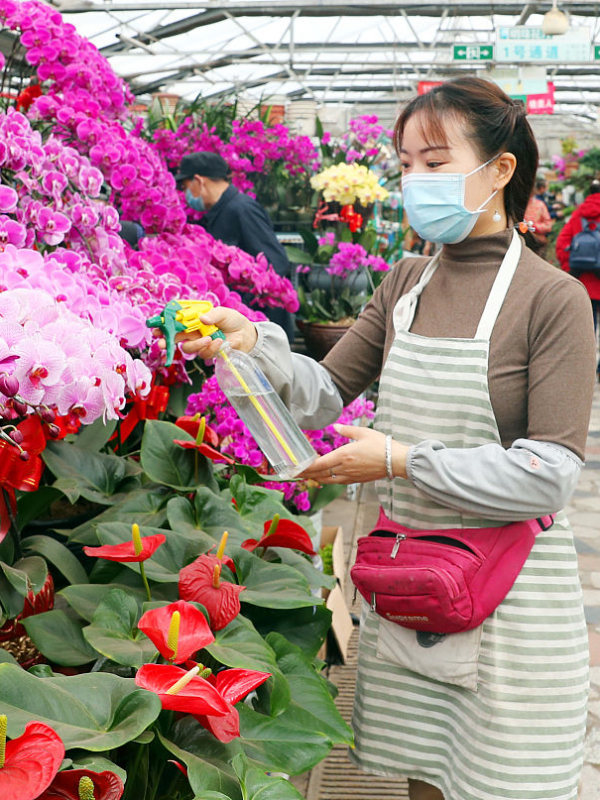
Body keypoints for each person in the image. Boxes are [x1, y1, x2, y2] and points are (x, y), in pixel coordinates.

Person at [168, 78, 596, 800]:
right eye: (405, 165)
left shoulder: (551, 300)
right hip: (414, 582)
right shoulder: (405, 284)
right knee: (424, 770)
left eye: (434, 162)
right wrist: (256, 345)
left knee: (500, 779)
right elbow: (320, 397)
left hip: (509, 596)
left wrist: (399, 459)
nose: (413, 182)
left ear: (499, 170)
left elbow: (549, 475)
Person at [175, 151, 295, 341]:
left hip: (262, 332)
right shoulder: (219, 213)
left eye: (185, 186)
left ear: (199, 181)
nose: (185, 194)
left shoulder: (242, 210)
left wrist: (241, 298)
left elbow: (276, 263)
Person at [556, 179, 600, 354]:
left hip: (582, 281)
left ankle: (587, 362)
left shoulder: (578, 214)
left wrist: (572, 269)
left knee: (589, 326)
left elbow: (562, 244)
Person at [524, 189, 553, 256]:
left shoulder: (540, 205)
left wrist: (533, 227)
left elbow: (548, 226)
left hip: (537, 243)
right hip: (520, 243)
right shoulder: (516, 206)